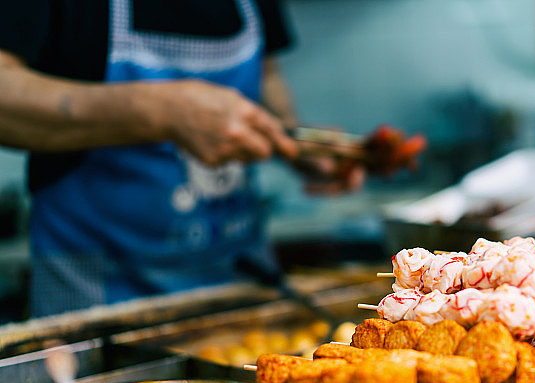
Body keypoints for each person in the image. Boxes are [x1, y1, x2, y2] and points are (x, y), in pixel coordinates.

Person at [0, 0, 367, 317]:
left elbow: (267, 75)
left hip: (240, 284)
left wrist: (299, 144)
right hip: (98, 292)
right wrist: (161, 112)